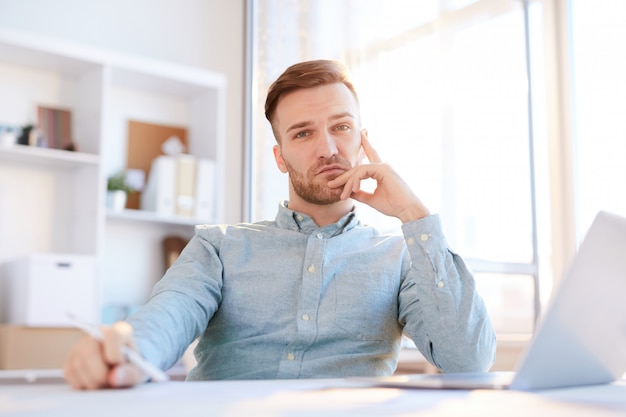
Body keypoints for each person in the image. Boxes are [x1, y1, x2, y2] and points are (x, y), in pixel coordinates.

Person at [64, 59, 496, 389]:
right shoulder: (218, 246)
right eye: (303, 134)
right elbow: (166, 318)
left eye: (342, 127)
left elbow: (469, 362)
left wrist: (414, 215)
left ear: (364, 141)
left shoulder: (403, 257)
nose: (328, 148)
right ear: (280, 156)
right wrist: (126, 346)